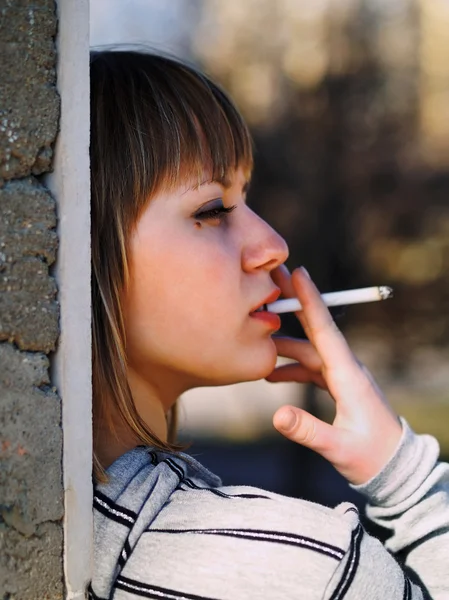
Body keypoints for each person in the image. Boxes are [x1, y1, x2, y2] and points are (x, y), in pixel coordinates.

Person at [88, 49, 449, 600]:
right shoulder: (308, 570)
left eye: (245, 199)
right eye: (211, 209)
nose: (272, 245)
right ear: (85, 251)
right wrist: (402, 479)